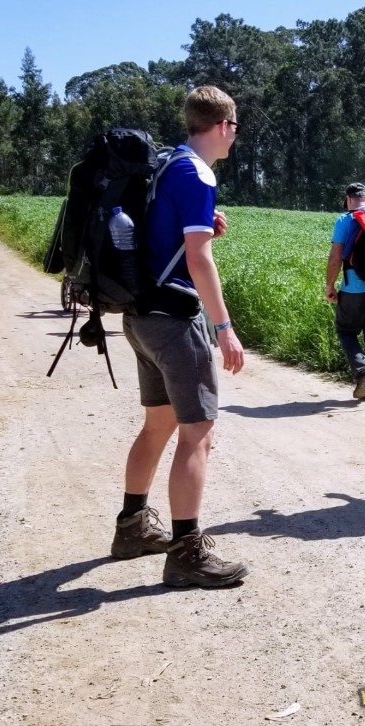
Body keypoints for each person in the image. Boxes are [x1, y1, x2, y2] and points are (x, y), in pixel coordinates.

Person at [110, 85, 250, 588]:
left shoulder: (168, 164)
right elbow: (198, 259)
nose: (234, 137)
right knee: (199, 433)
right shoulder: (198, 172)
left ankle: (132, 528)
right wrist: (224, 328)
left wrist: (202, 224)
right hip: (174, 318)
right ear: (222, 126)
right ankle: (186, 551)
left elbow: (165, 234)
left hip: (140, 314)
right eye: (234, 128)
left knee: (158, 426)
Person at [324, 182, 365, 401]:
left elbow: (335, 258)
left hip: (353, 289)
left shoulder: (345, 220)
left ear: (348, 200)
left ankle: (363, 371)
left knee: (346, 331)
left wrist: (330, 285)